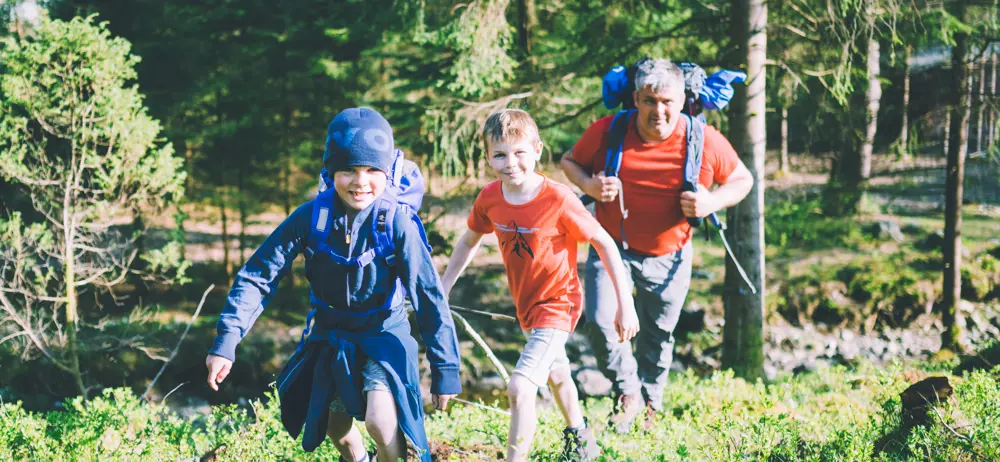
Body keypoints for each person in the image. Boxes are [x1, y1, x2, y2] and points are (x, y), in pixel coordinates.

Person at [204, 107, 462, 462]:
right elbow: (259, 275)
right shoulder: (311, 218)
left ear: (387, 172)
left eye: (373, 170)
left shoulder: (396, 224)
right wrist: (226, 341)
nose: (360, 182)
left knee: (381, 421)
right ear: (330, 172)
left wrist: (445, 368)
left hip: (384, 334)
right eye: (348, 170)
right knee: (335, 429)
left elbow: (428, 296)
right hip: (330, 334)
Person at [560, 58, 754, 432]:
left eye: (667, 101)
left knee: (658, 333)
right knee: (601, 323)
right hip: (611, 247)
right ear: (636, 98)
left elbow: (741, 179)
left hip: (671, 255)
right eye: (649, 101)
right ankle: (628, 391)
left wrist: (711, 202)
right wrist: (589, 186)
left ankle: (651, 404)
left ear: (682, 100)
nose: (658, 111)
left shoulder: (703, 139)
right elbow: (570, 161)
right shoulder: (610, 131)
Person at [441, 109, 638, 461]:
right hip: (526, 306)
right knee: (557, 373)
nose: (510, 162)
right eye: (499, 154)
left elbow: (605, 243)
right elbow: (469, 240)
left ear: (536, 150)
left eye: (519, 152)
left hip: (559, 303)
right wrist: (443, 288)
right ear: (487, 158)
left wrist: (626, 304)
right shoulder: (490, 198)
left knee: (520, 386)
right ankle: (581, 441)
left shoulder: (558, 199)